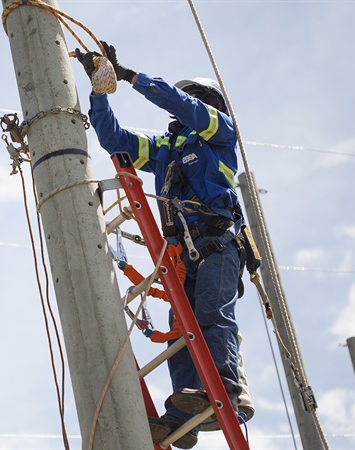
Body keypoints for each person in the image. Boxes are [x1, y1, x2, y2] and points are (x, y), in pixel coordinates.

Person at [74, 42, 244, 449]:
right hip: (183, 254)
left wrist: (129, 75)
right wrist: (99, 90)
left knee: (209, 314)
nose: (182, 109)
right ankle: (182, 410)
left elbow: (180, 103)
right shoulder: (169, 150)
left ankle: (224, 389)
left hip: (218, 241)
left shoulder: (219, 131)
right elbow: (115, 139)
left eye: (193, 99)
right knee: (178, 331)